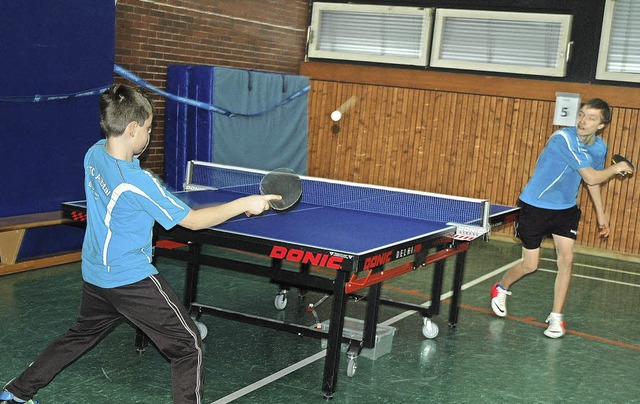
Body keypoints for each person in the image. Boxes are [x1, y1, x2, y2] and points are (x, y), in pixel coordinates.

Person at [0, 84, 281, 404]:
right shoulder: (137, 183)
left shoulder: (93, 154)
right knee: (188, 347)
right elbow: (192, 221)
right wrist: (246, 203)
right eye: (148, 128)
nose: (149, 135)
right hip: (130, 279)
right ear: (132, 129)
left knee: (79, 336)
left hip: (95, 273)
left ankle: (15, 392)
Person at [490, 98, 633, 339]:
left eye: (591, 118)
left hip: (566, 209)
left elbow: (594, 181)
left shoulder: (599, 146)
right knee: (530, 265)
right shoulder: (563, 139)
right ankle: (500, 287)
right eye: (582, 114)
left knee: (566, 260)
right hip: (535, 206)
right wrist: (617, 168)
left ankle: (556, 318)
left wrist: (601, 214)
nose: (583, 120)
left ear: (601, 125)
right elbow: (591, 177)